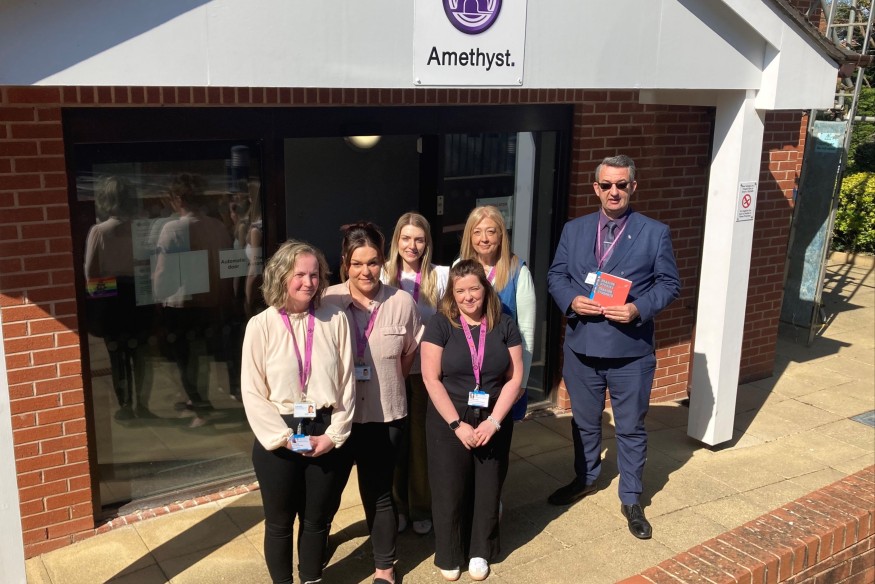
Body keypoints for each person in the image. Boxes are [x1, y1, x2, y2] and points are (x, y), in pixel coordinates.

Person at [546, 155, 680, 540]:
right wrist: (572, 300)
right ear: (596, 188)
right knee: (584, 422)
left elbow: (669, 284)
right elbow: (556, 275)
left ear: (633, 186)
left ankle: (632, 498)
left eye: (621, 184)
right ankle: (586, 478)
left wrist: (639, 308)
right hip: (582, 347)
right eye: (606, 185)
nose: (614, 191)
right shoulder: (574, 230)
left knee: (631, 428)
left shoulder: (654, 233)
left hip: (630, 351)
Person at [240, 240, 355, 584]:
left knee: (316, 520)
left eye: (314, 275)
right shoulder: (260, 326)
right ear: (281, 276)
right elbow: (252, 392)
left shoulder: (335, 319)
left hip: (323, 430)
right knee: (279, 524)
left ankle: (311, 578)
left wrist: (334, 435)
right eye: (300, 275)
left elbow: (347, 384)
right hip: (279, 435)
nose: (309, 282)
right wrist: (284, 438)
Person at [323, 222, 422, 584]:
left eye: (373, 262)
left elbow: (407, 356)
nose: (366, 271)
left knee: (379, 493)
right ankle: (318, 546)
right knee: (327, 493)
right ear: (345, 263)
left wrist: (386, 383)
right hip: (338, 418)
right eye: (357, 263)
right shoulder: (327, 301)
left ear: (383, 262)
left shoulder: (402, 303)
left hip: (385, 416)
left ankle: (385, 567)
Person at [420, 260, 523, 582]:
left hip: (493, 418)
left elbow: (515, 377)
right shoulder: (440, 324)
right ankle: (450, 553)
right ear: (452, 293)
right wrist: (456, 424)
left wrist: (494, 421)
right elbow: (430, 378)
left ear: (485, 289)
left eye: (474, 289)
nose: (468, 296)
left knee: (488, 487)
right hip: (449, 418)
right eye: (460, 290)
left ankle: (481, 550)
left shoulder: (504, 324)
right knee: (448, 489)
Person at [382, 212, 449, 536]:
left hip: (426, 373)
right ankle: (398, 506)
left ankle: (421, 506)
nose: (412, 245)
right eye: (406, 238)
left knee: (421, 442)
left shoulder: (441, 276)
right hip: (391, 371)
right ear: (397, 240)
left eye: (419, 239)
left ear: (427, 243)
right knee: (395, 441)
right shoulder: (383, 274)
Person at [84, 176, 154, 421]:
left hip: (112, 297)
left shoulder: (99, 231)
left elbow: (91, 273)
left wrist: (99, 303)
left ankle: (125, 405)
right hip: (139, 293)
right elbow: (149, 264)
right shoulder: (142, 228)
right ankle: (142, 404)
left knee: (117, 355)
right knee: (141, 354)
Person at [459, 206, 534, 421]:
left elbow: (526, 330)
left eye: (490, 231)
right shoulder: (459, 268)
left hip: (503, 373)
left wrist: (521, 381)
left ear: (501, 235)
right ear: (469, 236)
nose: (484, 238)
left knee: (498, 430)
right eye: (477, 232)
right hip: (465, 370)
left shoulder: (519, 271)